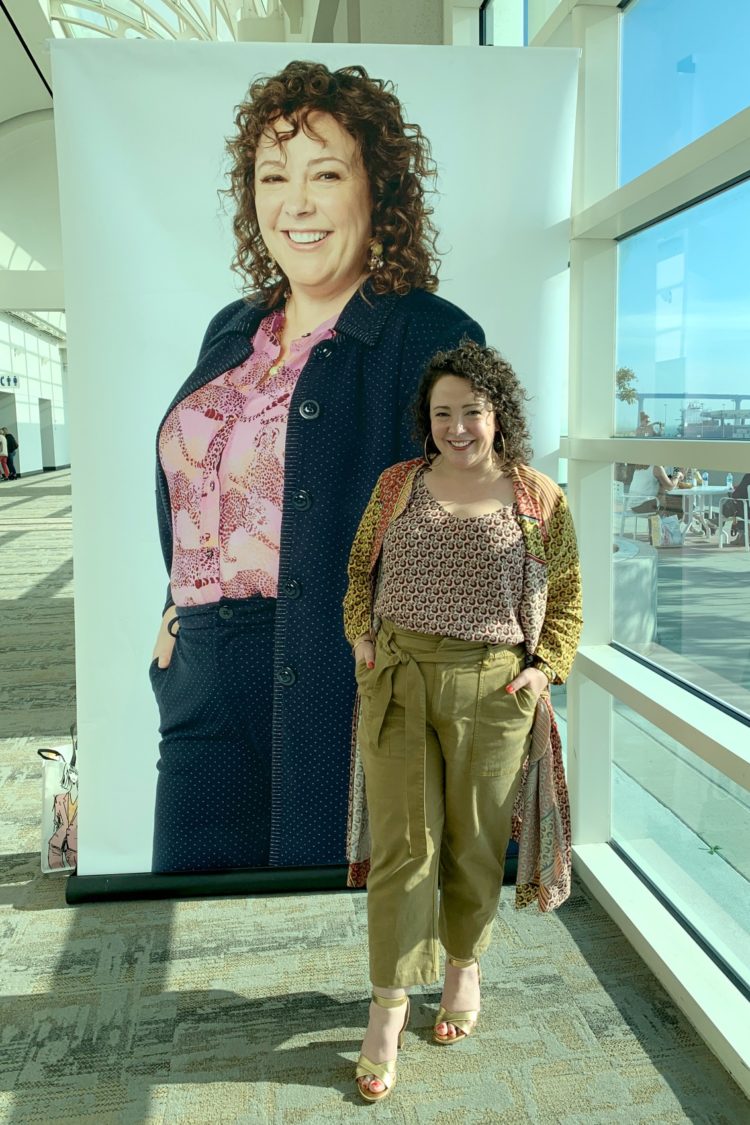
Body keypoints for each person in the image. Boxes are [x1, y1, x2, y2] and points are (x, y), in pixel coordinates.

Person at [150, 61, 485, 874]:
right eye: (273, 176)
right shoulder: (233, 330)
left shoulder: (426, 335)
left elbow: (481, 538)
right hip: (201, 677)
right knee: (192, 931)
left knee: (323, 933)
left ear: (379, 192)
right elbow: (204, 487)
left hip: (340, 682)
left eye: (325, 173)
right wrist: (173, 610)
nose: (294, 202)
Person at [343, 341, 582, 1102]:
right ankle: (387, 1005)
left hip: (492, 686)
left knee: (475, 844)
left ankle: (463, 965)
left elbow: (569, 594)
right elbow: (358, 571)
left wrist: (544, 668)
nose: (456, 427)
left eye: (471, 412)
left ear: (498, 413)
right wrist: (363, 639)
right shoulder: (396, 486)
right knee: (404, 848)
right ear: (428, 419)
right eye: (442, 413)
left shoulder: (537, 496)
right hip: (401, 681)